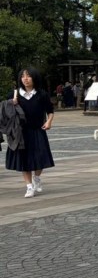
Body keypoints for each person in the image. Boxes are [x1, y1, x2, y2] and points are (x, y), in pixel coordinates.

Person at [6, 69, 55, 198]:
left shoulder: (41, 94)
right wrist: (12, 103)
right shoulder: (14, 94)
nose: (25, 79)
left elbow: (50, 110)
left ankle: (37, 178)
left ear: (34, 78)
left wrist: (49, 121)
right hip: (21, 132)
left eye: (28, 76)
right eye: (23, 76)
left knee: (41, 156)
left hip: (38, 130)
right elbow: (6, 111)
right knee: (24, 159)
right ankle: (29, 187)